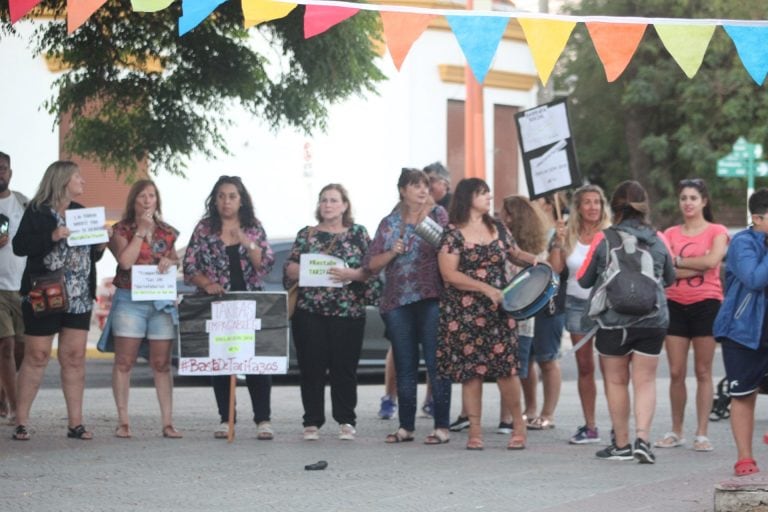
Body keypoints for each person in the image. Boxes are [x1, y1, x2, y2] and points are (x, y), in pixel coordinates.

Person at [437, 178, 540, 450]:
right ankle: (475, 431)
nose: (489, 197)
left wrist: (534, 260)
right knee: (472, 373)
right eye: (482, 193)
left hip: (498, 310)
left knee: (507, 369)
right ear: (467, 198)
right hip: (464, 312)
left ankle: (519, 426)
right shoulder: (452, 233)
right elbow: (449, 274)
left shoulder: (498, 227)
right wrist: (484, 288)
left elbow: (514, 253)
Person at [577, 180, 675, 463]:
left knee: (616, 381)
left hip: (612, 322)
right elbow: (669, 278)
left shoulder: (603, 238)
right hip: (652, 320)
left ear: (614, 207)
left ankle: (621, 444)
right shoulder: (658, 238)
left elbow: (583, 280)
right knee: (645, 381)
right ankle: (643, 440)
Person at [12, 161, 107, 441]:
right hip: (44, 292)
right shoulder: (36, 211)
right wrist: (51, 235)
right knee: (37, 355)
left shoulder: (81, 213)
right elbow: (20, 246)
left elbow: (89, 255)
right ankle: (21, 421)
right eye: (78, 177)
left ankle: (75, 424)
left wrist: (99, 246)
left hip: (78, 295)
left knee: (74, 358)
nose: (83, 182)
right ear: (63, 179)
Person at [183, 175, 275, 440]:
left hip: (249, 303)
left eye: (232, 196)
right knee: (222, 361)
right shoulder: (204, 228)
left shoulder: (253, 227)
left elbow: (266, 266)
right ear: (215, 199)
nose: (226, 201)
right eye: (222, 196)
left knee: (256, 362)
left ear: (241, 199)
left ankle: (263, 420)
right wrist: (207, 283)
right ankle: (226, 418)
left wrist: (249, 244)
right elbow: (189, 267)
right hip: (218, 304)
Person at [284, 184, 378, 441]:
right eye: (324, 200)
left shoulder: (358, 234)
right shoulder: (307, 234)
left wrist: (351, 274)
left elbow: (371, 269)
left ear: (345, 205)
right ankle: (311, 421)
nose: (328, 205)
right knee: (311, 367)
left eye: (334, 200)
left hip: (348, 311)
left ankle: (346, 419)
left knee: (344, 368)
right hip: (310, 311)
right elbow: (290, 267)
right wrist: (303, 267)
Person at [365, 168, 452, 445]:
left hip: (430, 297)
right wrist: (393, 252)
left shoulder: (438, 215)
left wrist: (426, 221)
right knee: (405, 364)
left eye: (425, 185)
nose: (423, 190)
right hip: (397, 300)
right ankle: (406, 426)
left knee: (437, 363)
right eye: (416, 186)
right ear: (403, 190)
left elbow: (449, 247)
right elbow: (371, 264)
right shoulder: (389, 223)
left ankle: (441, 426)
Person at [98, 180, 182, 439]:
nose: (147, 200)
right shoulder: (120, 230)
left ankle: (167, 422)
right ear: (133, 201)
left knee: (161, 363)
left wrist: (171, 261)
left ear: (157, 200)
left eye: (152, 195)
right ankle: (123, 421)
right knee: (124, 361)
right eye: (142, 196)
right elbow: (125, 262)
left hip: (160, 301)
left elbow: (176, 259)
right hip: (130, 300)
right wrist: (141, 231)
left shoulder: (168, 231)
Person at [655, 179, 728, 452]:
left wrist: (678, 262)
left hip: (706, 304)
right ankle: (676, 430)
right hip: (674, 304)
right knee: (675, 372)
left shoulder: (717, 231)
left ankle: (701, 433)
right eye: (683, 197)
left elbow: (712, 263)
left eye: (693, 198)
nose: (687, 203)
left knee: (703, 371)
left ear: (704, 201)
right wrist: (694, 266)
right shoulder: (670, 234)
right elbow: (667, 273)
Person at [713, 188, 768, 476]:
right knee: (744, 395)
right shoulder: (742, 244)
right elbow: (754, 278)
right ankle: (745, 458)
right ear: (757, 218)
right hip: (744, 332)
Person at [503, 195, 564, 432]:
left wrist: (558, 242)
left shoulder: (547, 237)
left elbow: (556, 269)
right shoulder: (507, 240)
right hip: (523, 307)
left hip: (548, 305)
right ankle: (530, 409)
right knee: (526, 359)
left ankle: (548, 413)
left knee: (548, 359)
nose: (502, 218)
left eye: (506, 213)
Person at [562, 185, 612, 444]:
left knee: (611, 367)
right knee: (584, 366)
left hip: (606, 305)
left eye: (597, 202)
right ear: (578, 207)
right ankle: (590, 426)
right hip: (576, 304)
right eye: (587, 202)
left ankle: (618, 424)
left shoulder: (610, 234)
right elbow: (556, 268)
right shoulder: (567, 234)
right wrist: (556, 243)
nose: (593, 207)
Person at [0, 151, 27, 423]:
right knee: (5, 347)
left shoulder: (23, 204)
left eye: (4, 168)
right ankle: (15, 407)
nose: (0, 173)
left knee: (22, 349)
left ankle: (2, 389)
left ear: (10, 172)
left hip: (22, 287)